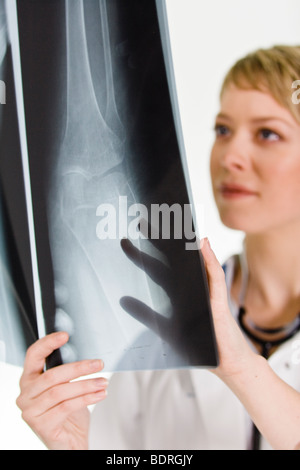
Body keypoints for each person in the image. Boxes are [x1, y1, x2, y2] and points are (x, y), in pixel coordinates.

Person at [16, 45, 300, 450]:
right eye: (223, 130)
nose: (231, 156)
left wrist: (241, 368)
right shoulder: (162, 342)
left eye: (267, 133)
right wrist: (84, 443)